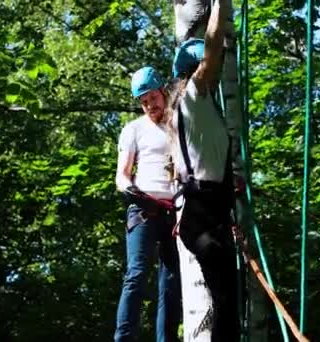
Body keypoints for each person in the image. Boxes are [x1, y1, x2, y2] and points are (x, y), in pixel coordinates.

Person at [166, 0, 240, 340]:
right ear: (193, 70)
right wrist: (221, 7)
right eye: (206, 67)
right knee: (226, 299)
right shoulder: (192, 95)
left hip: (212, 212)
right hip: (201, 214)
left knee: (228, 300)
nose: (214, 69)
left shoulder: (203, 108)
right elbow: (212, 47)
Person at [113, 66, 181, 342]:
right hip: (143, 209)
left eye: (152, 98)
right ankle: (124, 337)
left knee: (171, 281)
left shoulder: (180, 124)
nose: (149, 106)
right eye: (143, 102)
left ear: (163, 92)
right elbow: (122, 173)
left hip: (174, 211)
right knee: (137, 273)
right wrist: (129, 189)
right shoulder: (134, 130)